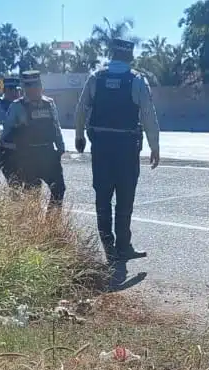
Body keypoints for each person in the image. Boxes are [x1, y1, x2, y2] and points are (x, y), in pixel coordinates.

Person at [75, 37, 161, 262]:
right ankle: (123, 245)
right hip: (126, 149)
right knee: (125, 197)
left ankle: (109, 247)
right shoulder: (136, 80)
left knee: (102, 196)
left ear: (111, 54)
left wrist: (78, 135)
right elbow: (149, 115)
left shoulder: (96, 78)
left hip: (101, 148)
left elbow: (81, 108)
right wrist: (155, 146)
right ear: (129, 56)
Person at [0, 71, 66, 209]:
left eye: (35, 84)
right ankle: (35, 228)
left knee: (59, 189)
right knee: (33, 195)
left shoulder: (49, 103)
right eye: (28, 85)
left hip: (48, 152)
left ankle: (51, 222)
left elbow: (56, 125)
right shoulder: (17, 106)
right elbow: (6, 134)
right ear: (24, 87)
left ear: (41, 85)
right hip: (28, 156)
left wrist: (60, 146)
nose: (32, 88)